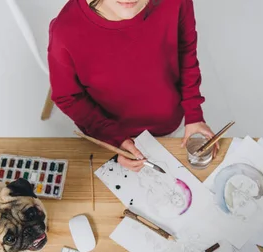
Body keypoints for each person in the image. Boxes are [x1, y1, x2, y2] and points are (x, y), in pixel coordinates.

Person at [48, 0, 216, 172]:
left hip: (169, 122)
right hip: (108, 136)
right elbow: (68, 97)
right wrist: (114, 138)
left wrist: (193, 113)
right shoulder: (64, 31)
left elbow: (185, 51)